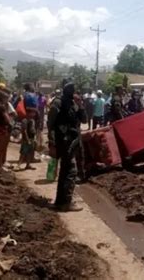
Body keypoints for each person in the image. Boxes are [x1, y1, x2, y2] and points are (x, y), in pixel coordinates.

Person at [47, 79, 87, 212]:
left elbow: (84, 119)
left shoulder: (72, 103)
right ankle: (65, 203)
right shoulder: (58, 103)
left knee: (65, 171)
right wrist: (52, 142)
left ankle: (61, 201)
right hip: (64, 142)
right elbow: (51, 123)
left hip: (71, 141)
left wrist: (80, 104)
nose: (73, 92)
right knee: (70, 171)